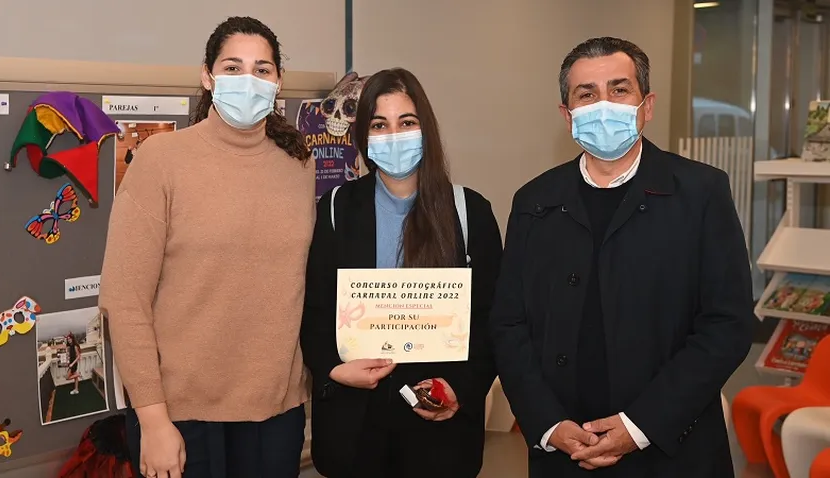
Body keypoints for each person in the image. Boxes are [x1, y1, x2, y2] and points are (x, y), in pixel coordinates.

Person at [491, 37, 755, 477]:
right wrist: (548, 422)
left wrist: (640, 426)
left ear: (646, 105)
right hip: (563, 448)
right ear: (567, 115)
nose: (603, 105)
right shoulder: (534, 201)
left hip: (671, 448)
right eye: (587, 94)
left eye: (619, 90)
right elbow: (508, 324)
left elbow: (727, 324)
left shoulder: (701, 192)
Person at [99, 16, 315, 478]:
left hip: (276, 412)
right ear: (207, 76)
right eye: (233, 67)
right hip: (180, 416)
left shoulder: (298, 165)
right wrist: (153, 420)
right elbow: (125, 298)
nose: (248, 80)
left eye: (262, 69)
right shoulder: (162, 160)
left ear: (279, 82)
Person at [301, 68, 502, 478]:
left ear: (426, 129)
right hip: (354, 429)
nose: (394, 135)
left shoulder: (470, 212)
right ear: (363, 135)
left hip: (438, 429)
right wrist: (334, 368)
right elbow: (313, 308)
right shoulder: (337, 208)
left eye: (407, 122)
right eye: (380, 125)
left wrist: (460, 388)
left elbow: (494, 319)